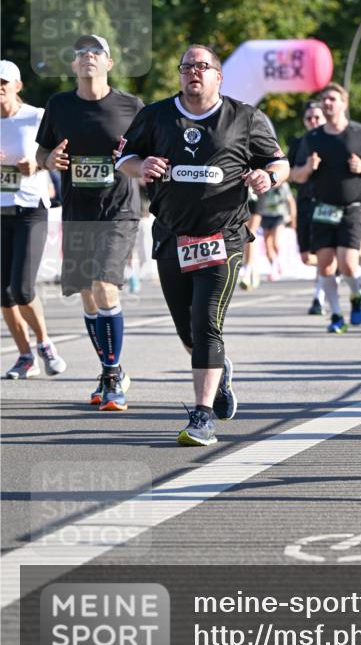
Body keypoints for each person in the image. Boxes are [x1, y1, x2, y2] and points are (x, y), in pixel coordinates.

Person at [116, 43, 289, 446]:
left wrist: (269, 177)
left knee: (206, 320)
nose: (193, 72)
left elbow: (279, 162)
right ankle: (219, 370)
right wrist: (139, 166)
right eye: (186, 66)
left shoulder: (245, 118)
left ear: (218, 75)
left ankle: (202, 416)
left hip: (223, 238)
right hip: (173, 236)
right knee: (188, 330)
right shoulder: (156, 115)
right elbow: (122, 159)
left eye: (202, 66)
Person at [36, 35, 143, 409]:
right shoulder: (59, 105)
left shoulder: (131, 106)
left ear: (109, 64)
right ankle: (109, 367)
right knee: (87, 294)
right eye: (81, 54)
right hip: (77, 210)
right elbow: (42, 151)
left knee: (103, 284)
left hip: (119, 210)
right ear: (73, 66)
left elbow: (151, 151)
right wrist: (50, 162)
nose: (88, 58)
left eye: (96, 53)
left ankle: (113, 378)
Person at [292, 83, 361, 334]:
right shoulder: (312, 138)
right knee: (325, 266)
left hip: (352, 207)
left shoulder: (360, 133)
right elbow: (295, 175)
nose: (327, 103)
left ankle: (356, 294)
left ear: (344, 103)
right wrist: (308, 168)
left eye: (332, 99)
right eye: (324, 99)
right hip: (322, 208)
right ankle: (336, 315)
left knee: (348, 264)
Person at [1, 59, 66, 379]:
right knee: (3, 293)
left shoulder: (37, 117)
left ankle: (45, 343)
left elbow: (57, 157)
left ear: (18, 86)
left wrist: (37, 165)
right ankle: (25, 356)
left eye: (4, 83)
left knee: (22, 288)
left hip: (30, 209)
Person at [287, 101, 326, 314]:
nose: (313, 121)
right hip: (304, 202)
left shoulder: (334, 140)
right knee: (306, 257)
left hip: (327, 203)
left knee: (322, 252)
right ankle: (333, 274)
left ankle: (319, 298)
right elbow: (290, 174)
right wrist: (307, 168)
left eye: (317, 117)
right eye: (309, 118)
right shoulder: (299, 143)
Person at [256, 179, 295, 281]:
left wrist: (292, 217)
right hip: (265, 215)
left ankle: (278, 264)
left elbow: (291, 201)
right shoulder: (263, 183)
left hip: (279, 216)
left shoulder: (283, 185)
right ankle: (274, 267)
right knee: (267, 245)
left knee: (276, 243)